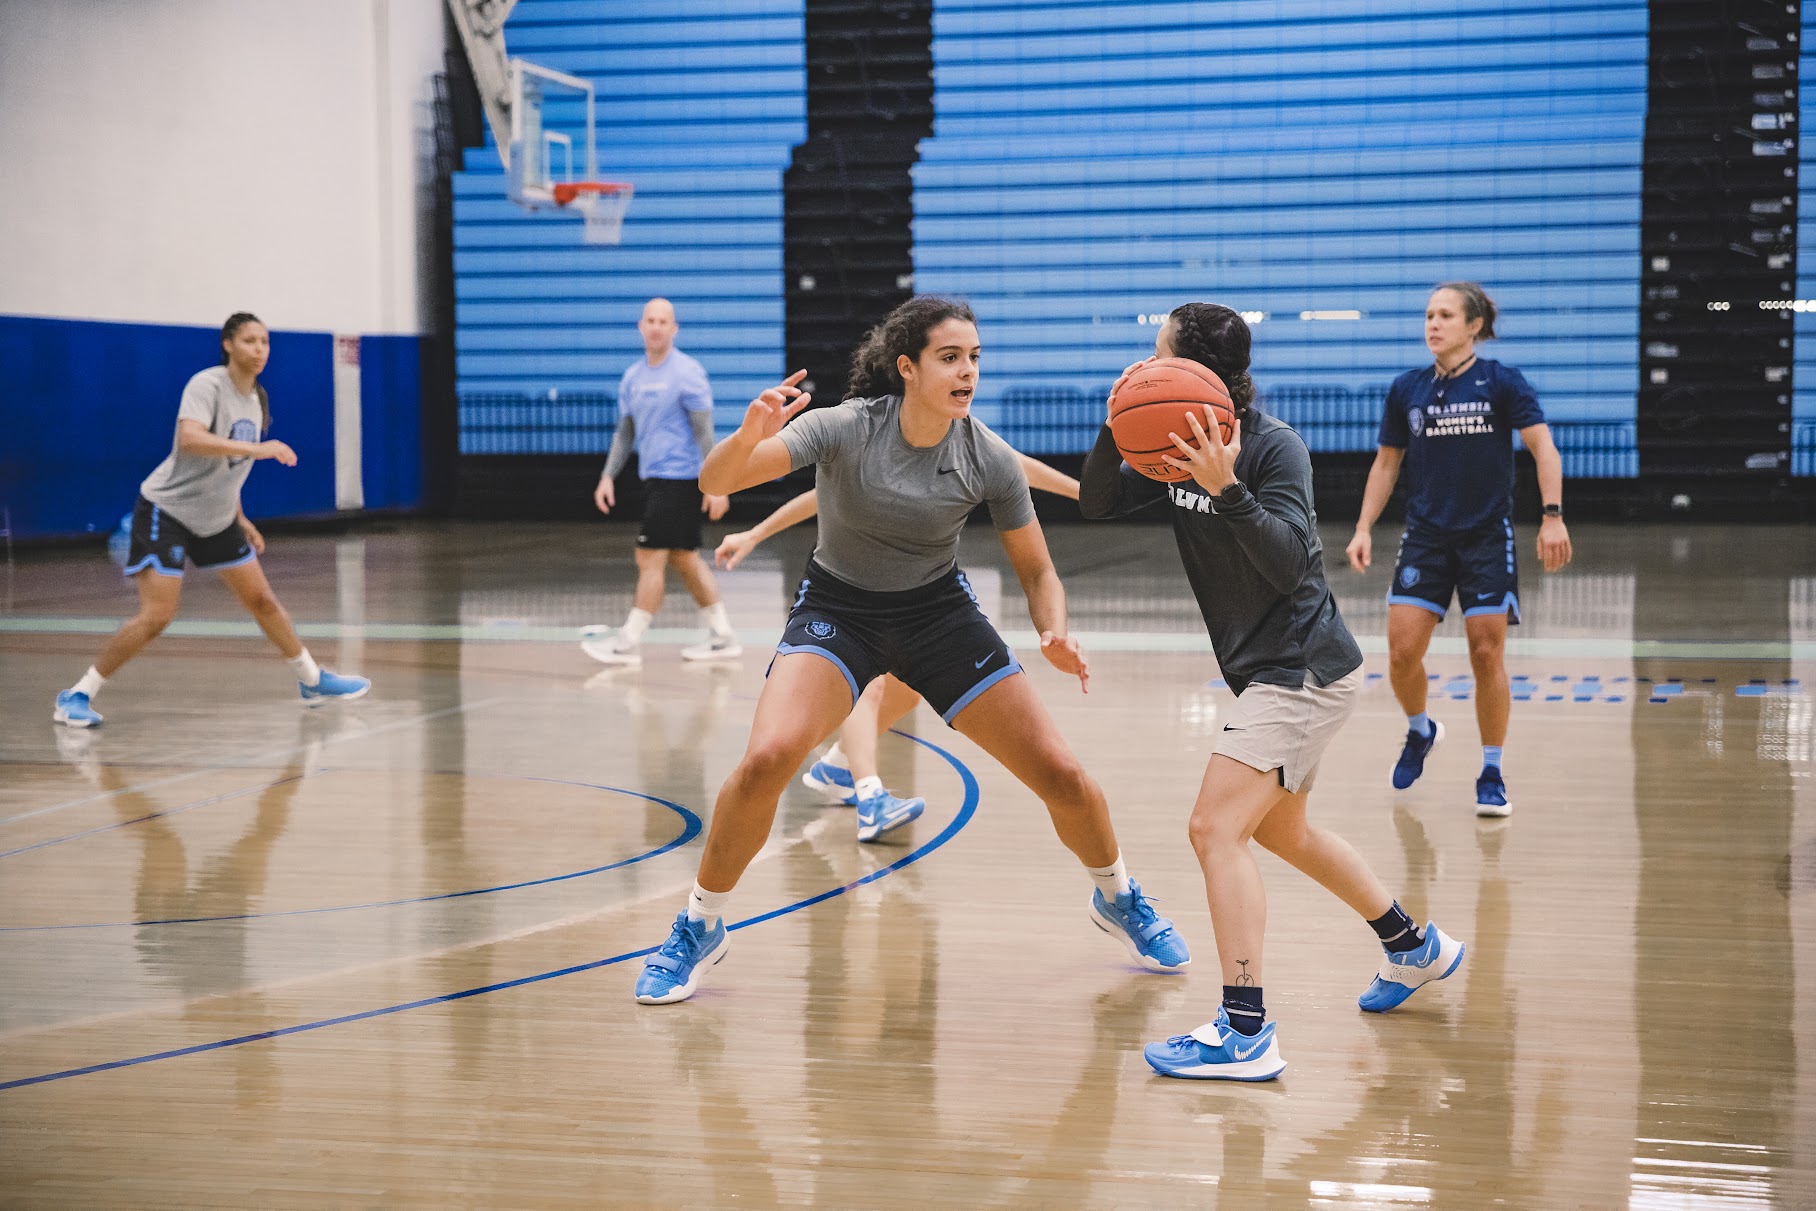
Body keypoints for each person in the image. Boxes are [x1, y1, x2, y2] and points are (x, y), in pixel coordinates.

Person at [633, 295, 1190, 1004]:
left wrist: (1053, 629)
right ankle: (698, 924)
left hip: (937, 615)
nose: (968, 372)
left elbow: (1039, 569)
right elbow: (715, 480)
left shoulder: (984, 452)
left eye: (976, 358)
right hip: (839, 609)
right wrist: (747, 436)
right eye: (950, 358)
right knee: (766, 758)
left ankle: (1118, 896)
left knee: (1062, 772)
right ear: (908, 366)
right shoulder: (844, 428)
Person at [1079, 302, 1465, 1081]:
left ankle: (1244, 1027)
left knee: (1213, 829)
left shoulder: (1271, 447)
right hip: (1275, 671)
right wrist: (1114, 420)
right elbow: (1097, 503)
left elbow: (1292, 563)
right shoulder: (1169, 441)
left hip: (1301, 669)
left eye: (1157, 359)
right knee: (1283, 832)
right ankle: (1411, 944)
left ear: (1194, 372)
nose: (1146, 369)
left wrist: (1225, 487)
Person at [713, 457, 1083, 842]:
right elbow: (819, 495)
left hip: (916, 586)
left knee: (905, 693)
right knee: (867, 687)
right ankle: (871, 798)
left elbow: (1018, 466)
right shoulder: (873, 426)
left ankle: (838, 767)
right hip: (846, 584)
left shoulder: (961, 435)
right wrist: (756, 533)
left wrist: (1081, 493)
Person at [52, 313, 370, 727]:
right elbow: (191, 439)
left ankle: (312, 680)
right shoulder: (207, 385)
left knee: (263, 601)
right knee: (157, 616)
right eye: (250, 341)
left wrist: (242, 518)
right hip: (167, 511)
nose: (260, 350)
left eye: (265, 342)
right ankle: (76, 695)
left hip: (217, 518)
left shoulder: (257, 399)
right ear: (228, 344)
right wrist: (261, 449)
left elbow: (229, 467)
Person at [1345, 282, 1573, 818]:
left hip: (1486, 538)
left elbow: (1544, 448)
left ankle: (1491, 769)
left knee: (1486, 652)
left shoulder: (1501, 383)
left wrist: (1553, 516)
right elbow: (1386, 462)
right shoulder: (1407, 388)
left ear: (1474, 326)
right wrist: (1362, 527)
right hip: (1426, 536)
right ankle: (1421, 730)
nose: (1433, 324)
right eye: (1428, 315)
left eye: (1446, 315)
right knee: (1401, 654)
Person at [582, 298, 742, 667]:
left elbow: (705, 434)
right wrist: (608, 476)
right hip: (653, 479)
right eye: (650, 320)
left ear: (674, 329)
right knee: (684, 559)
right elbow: (625, 434)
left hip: (681, 479)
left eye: (663, 321)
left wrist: (717, 485)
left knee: (649, 555)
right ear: (641, 326)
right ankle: (722, 636)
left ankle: (627, 643)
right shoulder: (633, 377)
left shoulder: (687, 373)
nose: (656, 327)